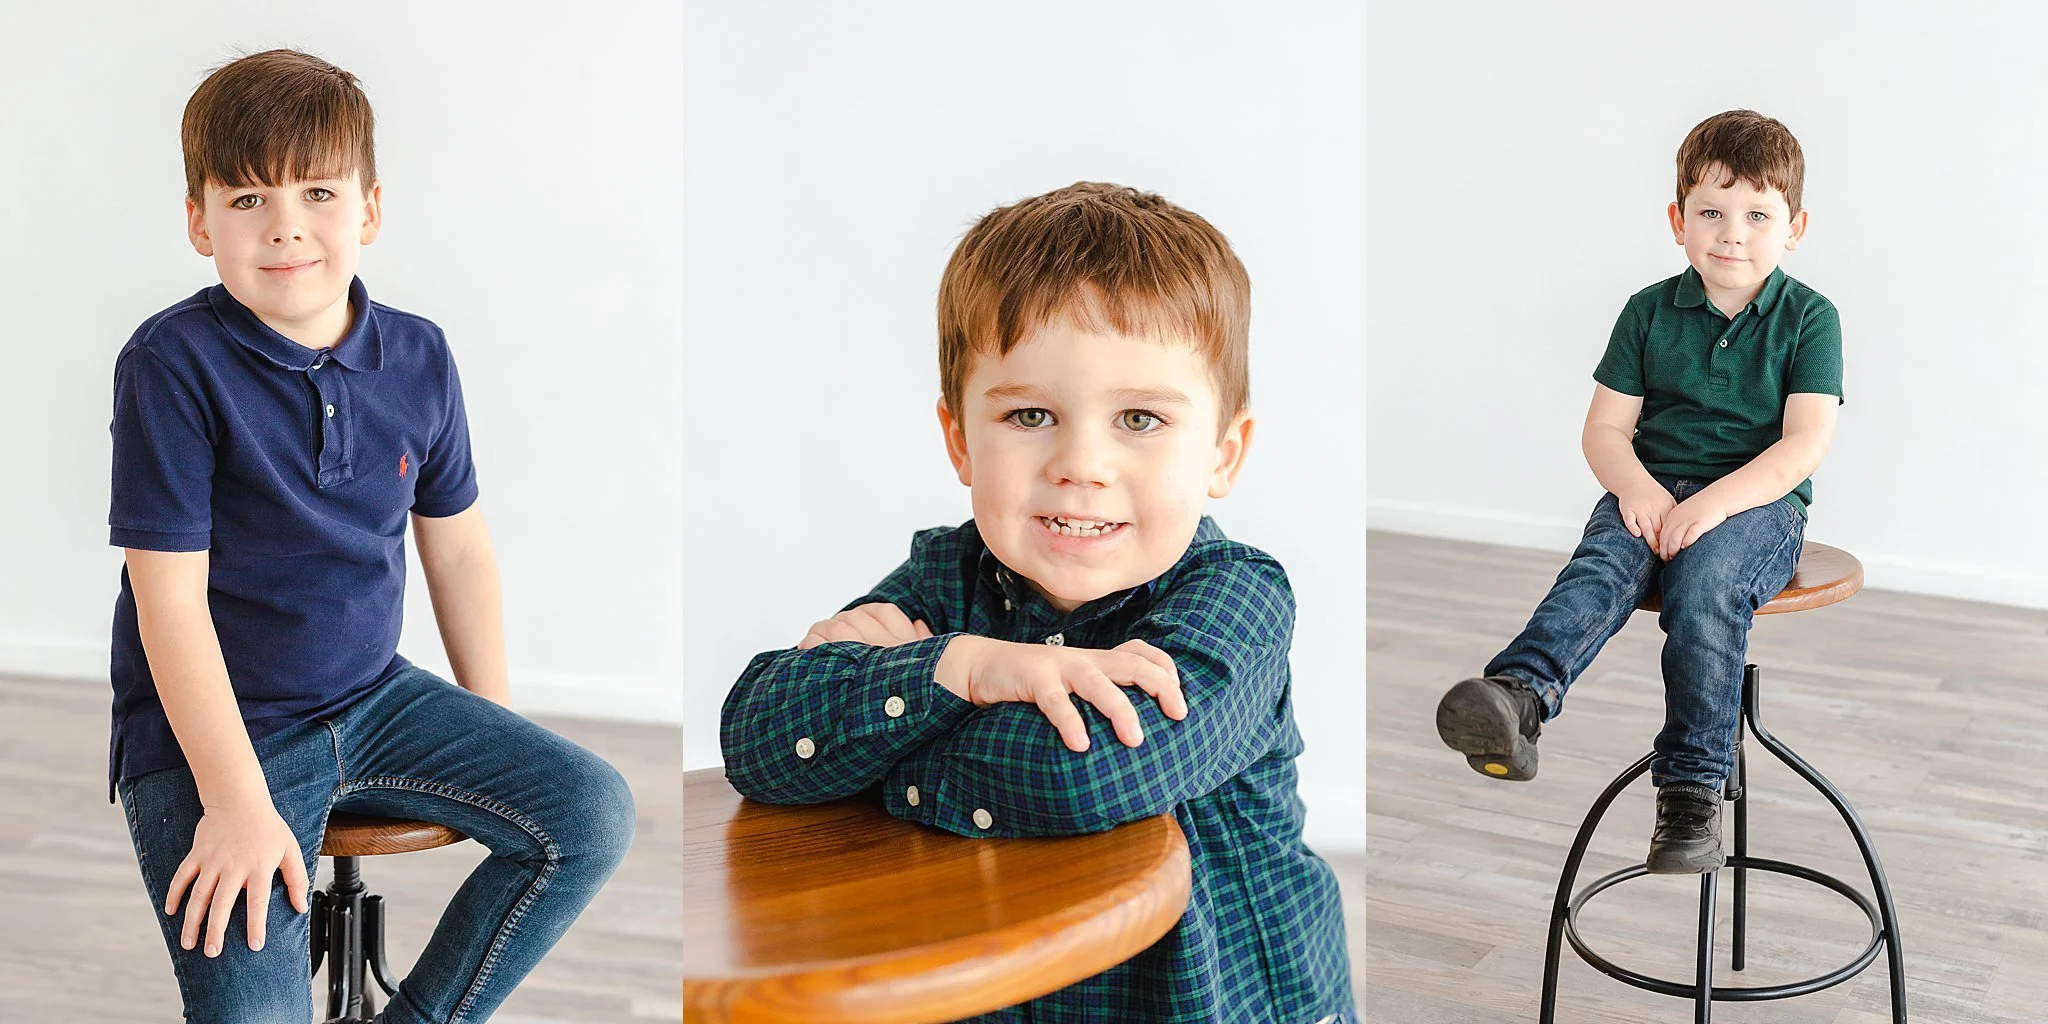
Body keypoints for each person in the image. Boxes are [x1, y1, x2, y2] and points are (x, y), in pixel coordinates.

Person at [719, 181, 1353, 1024]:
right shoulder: (948, 578)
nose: (1081, 463)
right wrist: (967, 665)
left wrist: (881, 739)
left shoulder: (1236, 599)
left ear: (1223, 455)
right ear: (960, 442)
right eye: (1029, 414)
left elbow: (1082, 775)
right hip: (1009, 988)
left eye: (1139, 418)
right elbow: (756, 735)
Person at [109, 49, 635, 1023]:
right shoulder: (171, 364)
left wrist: (496, 720)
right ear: (198, 220)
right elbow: (166, 601)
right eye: (247, 198)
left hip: (372, 695)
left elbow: (459, 547)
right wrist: (233, 801)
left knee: (593, 811)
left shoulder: (421, 355)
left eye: (316, 191)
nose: (286, 226)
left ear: (370, 209)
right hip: (221, 732)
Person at [1435, 109, 1842, 874]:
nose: (1732, 233)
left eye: (1757, 215)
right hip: (1651, 486)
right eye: (1711, 212)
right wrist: (1640, 492)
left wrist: (1713, 504)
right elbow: (1604, 431)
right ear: (1677, 219)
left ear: (1795, 227)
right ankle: (1517, 698)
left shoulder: (1809, 318)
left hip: (1755, 506)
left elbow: (1802, 446)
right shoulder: (1648, 311)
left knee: (1707, 586)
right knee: (1598, 572)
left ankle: (1690, 791)